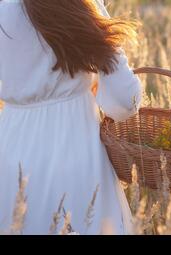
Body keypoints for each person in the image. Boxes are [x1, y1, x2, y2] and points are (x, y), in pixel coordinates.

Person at [0, 0, 142, 234]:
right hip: (76, 150)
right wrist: (96, 90)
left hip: (9, 150)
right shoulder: (81, 5)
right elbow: (126, 99)